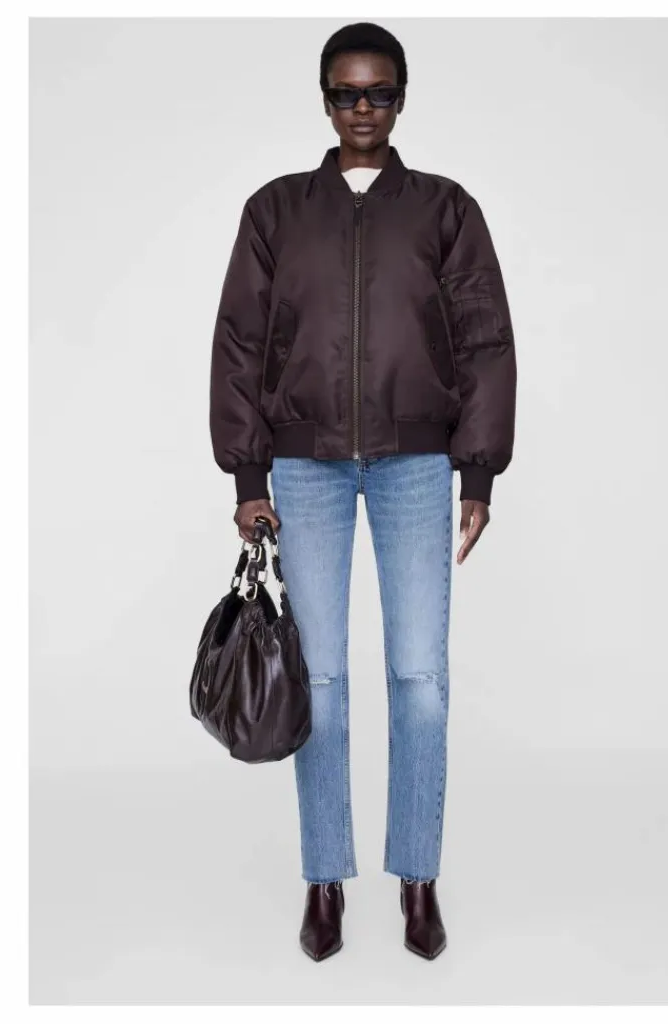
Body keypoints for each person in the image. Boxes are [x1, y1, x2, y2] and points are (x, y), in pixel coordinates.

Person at [208, 21, 517, 961]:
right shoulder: (276, 211)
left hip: (416, 465)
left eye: (380, 93)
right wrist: (249, 473)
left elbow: (485, 340)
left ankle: (418, 878)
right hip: (303, 467)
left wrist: (477, 469)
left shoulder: (444, 209)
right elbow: (239, 343)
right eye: (347, 93)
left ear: (401, 98)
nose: (363, 110)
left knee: (419, 678)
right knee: (324, 682)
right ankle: (324, 879)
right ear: (325, 99)